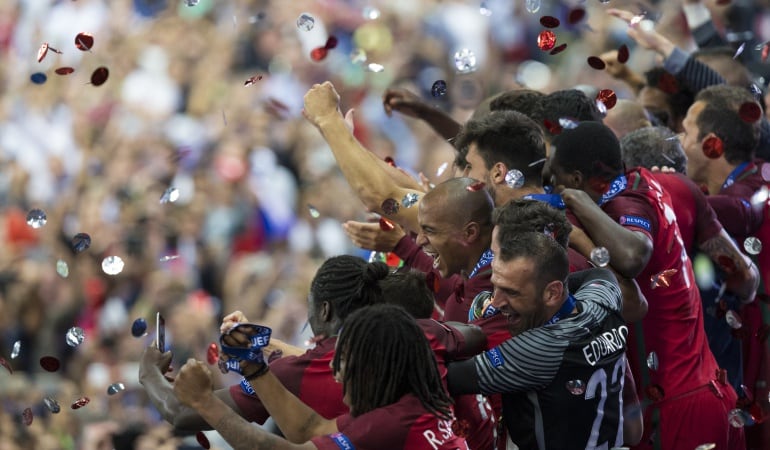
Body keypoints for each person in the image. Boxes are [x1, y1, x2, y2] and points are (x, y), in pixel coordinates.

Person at [548, 121, 744, 450]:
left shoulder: (622, 206)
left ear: (578, 181)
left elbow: (633, 255)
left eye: (557, 178)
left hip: (675, 410)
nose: (552, 187)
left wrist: (577, 211)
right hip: (709, 392)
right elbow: (745, 276)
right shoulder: (666, 183)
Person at [138, 255, 389, 432]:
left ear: (324, 310)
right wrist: (262, 341)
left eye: (309, 303)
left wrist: (149, 373)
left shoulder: (295, 373)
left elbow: (181, 413)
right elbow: (317, 358)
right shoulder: (396, 344)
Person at [172, 304, 470, 450]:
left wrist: (203, 402)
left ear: (376, 370)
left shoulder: (389, 423)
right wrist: (253, 367)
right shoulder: (414, 401)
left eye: (345, 365)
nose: (337, 375)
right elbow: (310, 428)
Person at [446, 226, 628, 450]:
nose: (495, 303)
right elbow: (599, 274)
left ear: (552, 293)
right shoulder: (604, 300)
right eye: (495, 287)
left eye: (512, 292)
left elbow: (444, 376)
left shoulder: (538, 349)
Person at [621, 125, 760, 393]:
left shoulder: (606, 203)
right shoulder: (681, 190)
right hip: (707, 386)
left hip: (641, 393)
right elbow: (746, 279)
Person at [680, 84, 770, 448]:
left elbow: (743, 209)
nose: (678, 139)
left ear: (712, 144)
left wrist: (668, 193)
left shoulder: (755, 190)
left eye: (685, 131)